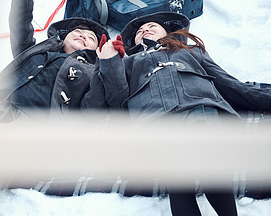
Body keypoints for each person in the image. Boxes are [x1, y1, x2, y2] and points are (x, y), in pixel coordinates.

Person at [83, 11, 271, 215]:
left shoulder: (191, 52)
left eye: (151, 26)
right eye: (140, 30)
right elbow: (117, 101)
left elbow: (228, 84)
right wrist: (109, 61)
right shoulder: (128, 62)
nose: (145, 29)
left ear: (167, 31)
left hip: (199, 106)